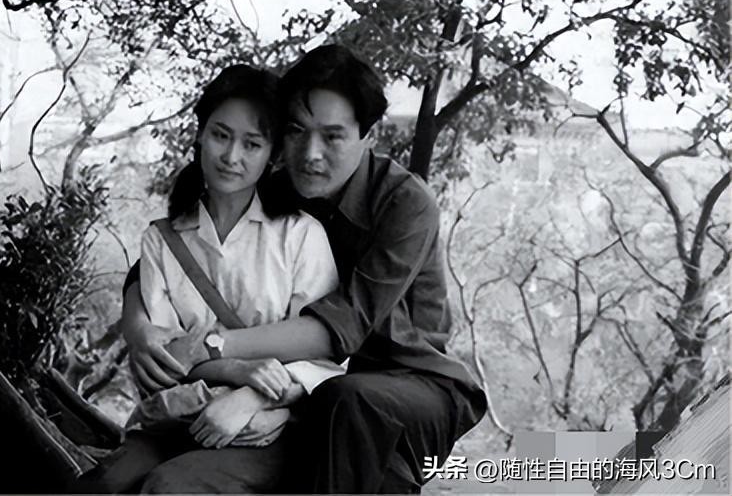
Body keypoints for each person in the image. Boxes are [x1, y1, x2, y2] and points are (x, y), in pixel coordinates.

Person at [126, 45, 488, 494]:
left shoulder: (404, 203)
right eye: (297, 131)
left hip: (410, 385)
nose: (310, 153)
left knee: (352, 407)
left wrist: (211, 347)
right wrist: (139, 329)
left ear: (369, 135)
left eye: (332, 137)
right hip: (309, 385)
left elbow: (340, 329)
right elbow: (173, 253)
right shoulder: (283, 189)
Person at [71, 64, 342, 493]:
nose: (231, 157)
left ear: (272, 155)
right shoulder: (163, 239)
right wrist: (238, 368)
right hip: (178, 415)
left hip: (268, 426)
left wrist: (252, 395)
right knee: (105, 484)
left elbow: (324, 358)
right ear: (200, 135)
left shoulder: (299, 235)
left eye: (251, 144)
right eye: (220, 135)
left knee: (167, 489)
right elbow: (167, 357)